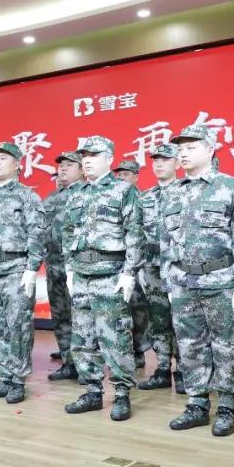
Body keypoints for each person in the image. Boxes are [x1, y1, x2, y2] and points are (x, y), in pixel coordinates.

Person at [163, 125, 234, 437]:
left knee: (225, 344)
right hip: (183, 282)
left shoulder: (231, 187)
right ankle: (197, 404)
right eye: (180, 148)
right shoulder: (172, 192)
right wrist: (168, 279)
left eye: (191, 147)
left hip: (220, 280)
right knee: (189, 345)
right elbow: (165, 240)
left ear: (210, 150)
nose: (183, 153)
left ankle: (227, 405)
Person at [61, 137, 142, 421]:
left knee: (115, 337)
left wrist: (129, 273)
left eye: (93, 155)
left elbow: (135, 232)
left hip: (110, 273)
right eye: (84, 155)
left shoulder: (123, 190)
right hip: (82, 273)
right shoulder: (76, 193)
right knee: (82, 336)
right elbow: (68, 231)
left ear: (109, 158)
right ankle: (92, 391)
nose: (87, 160)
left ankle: (121, 393)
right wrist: (70, 268)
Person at [0, 141, 46, 404]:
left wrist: (32, 268)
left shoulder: (27, 196)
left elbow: (37, 233)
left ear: (17, 164)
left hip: (16, 269)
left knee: (18, 326)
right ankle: (3, 377)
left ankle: (17, 380)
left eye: (3, 158)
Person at [136, 144, 182, 393]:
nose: (159, 164)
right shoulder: (145, 197)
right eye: (156, 160)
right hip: (152, 267)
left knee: (183, 320)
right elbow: (137, 234)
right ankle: (163, 369)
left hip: (179, 269)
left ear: (177, 163)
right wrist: (139, 267)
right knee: (158, 319)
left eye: (165, 159)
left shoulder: (186, 192)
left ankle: (184, 371)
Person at [44, 151, 84, 381]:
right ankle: (69, 362)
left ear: (82, 169)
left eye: (70, 164)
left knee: (82, 317)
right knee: (60, 315)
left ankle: (87, 366)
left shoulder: (87, 194)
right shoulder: (52, 198)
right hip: (54, 266)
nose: (63, 168)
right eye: (61, 165)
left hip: (78, 268)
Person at [113, 159, 149, 368]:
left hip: (138, 263)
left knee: (138, 308)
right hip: (116, 262)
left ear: (136, 177)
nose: (121, 177)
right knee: (119, 309)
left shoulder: (142, 198)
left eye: (126, 174)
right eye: (119, 174)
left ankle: (138, 350)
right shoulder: (114, 198)